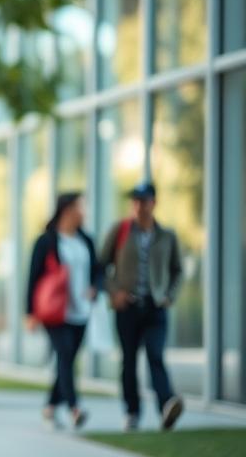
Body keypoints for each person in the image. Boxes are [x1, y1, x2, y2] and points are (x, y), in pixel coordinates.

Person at [100, 181, 185, 431]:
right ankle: (132, 411)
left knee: (156, 356)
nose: (138, 206)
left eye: (143, 201)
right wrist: (114, 292)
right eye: (135, 201)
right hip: (127, 307)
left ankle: (166, 406)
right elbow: (101, 267)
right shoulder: (120, 231)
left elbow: (178, 271)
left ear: (153, 203)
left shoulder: (167, 236)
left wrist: (169, 295)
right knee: (128, 361)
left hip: (155, 307)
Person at [25, 192, 102, 430]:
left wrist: (95, 288)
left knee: (66, 360)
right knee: (66, 356)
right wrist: (30, 313)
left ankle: (50, 406)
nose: (84, 212)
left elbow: (97, 271)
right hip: (55, 313)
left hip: (81, 311)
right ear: (67, 210)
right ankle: (74, 408)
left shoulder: (86, 240)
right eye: (81, 207)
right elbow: (33, 277)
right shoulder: (46, 241)